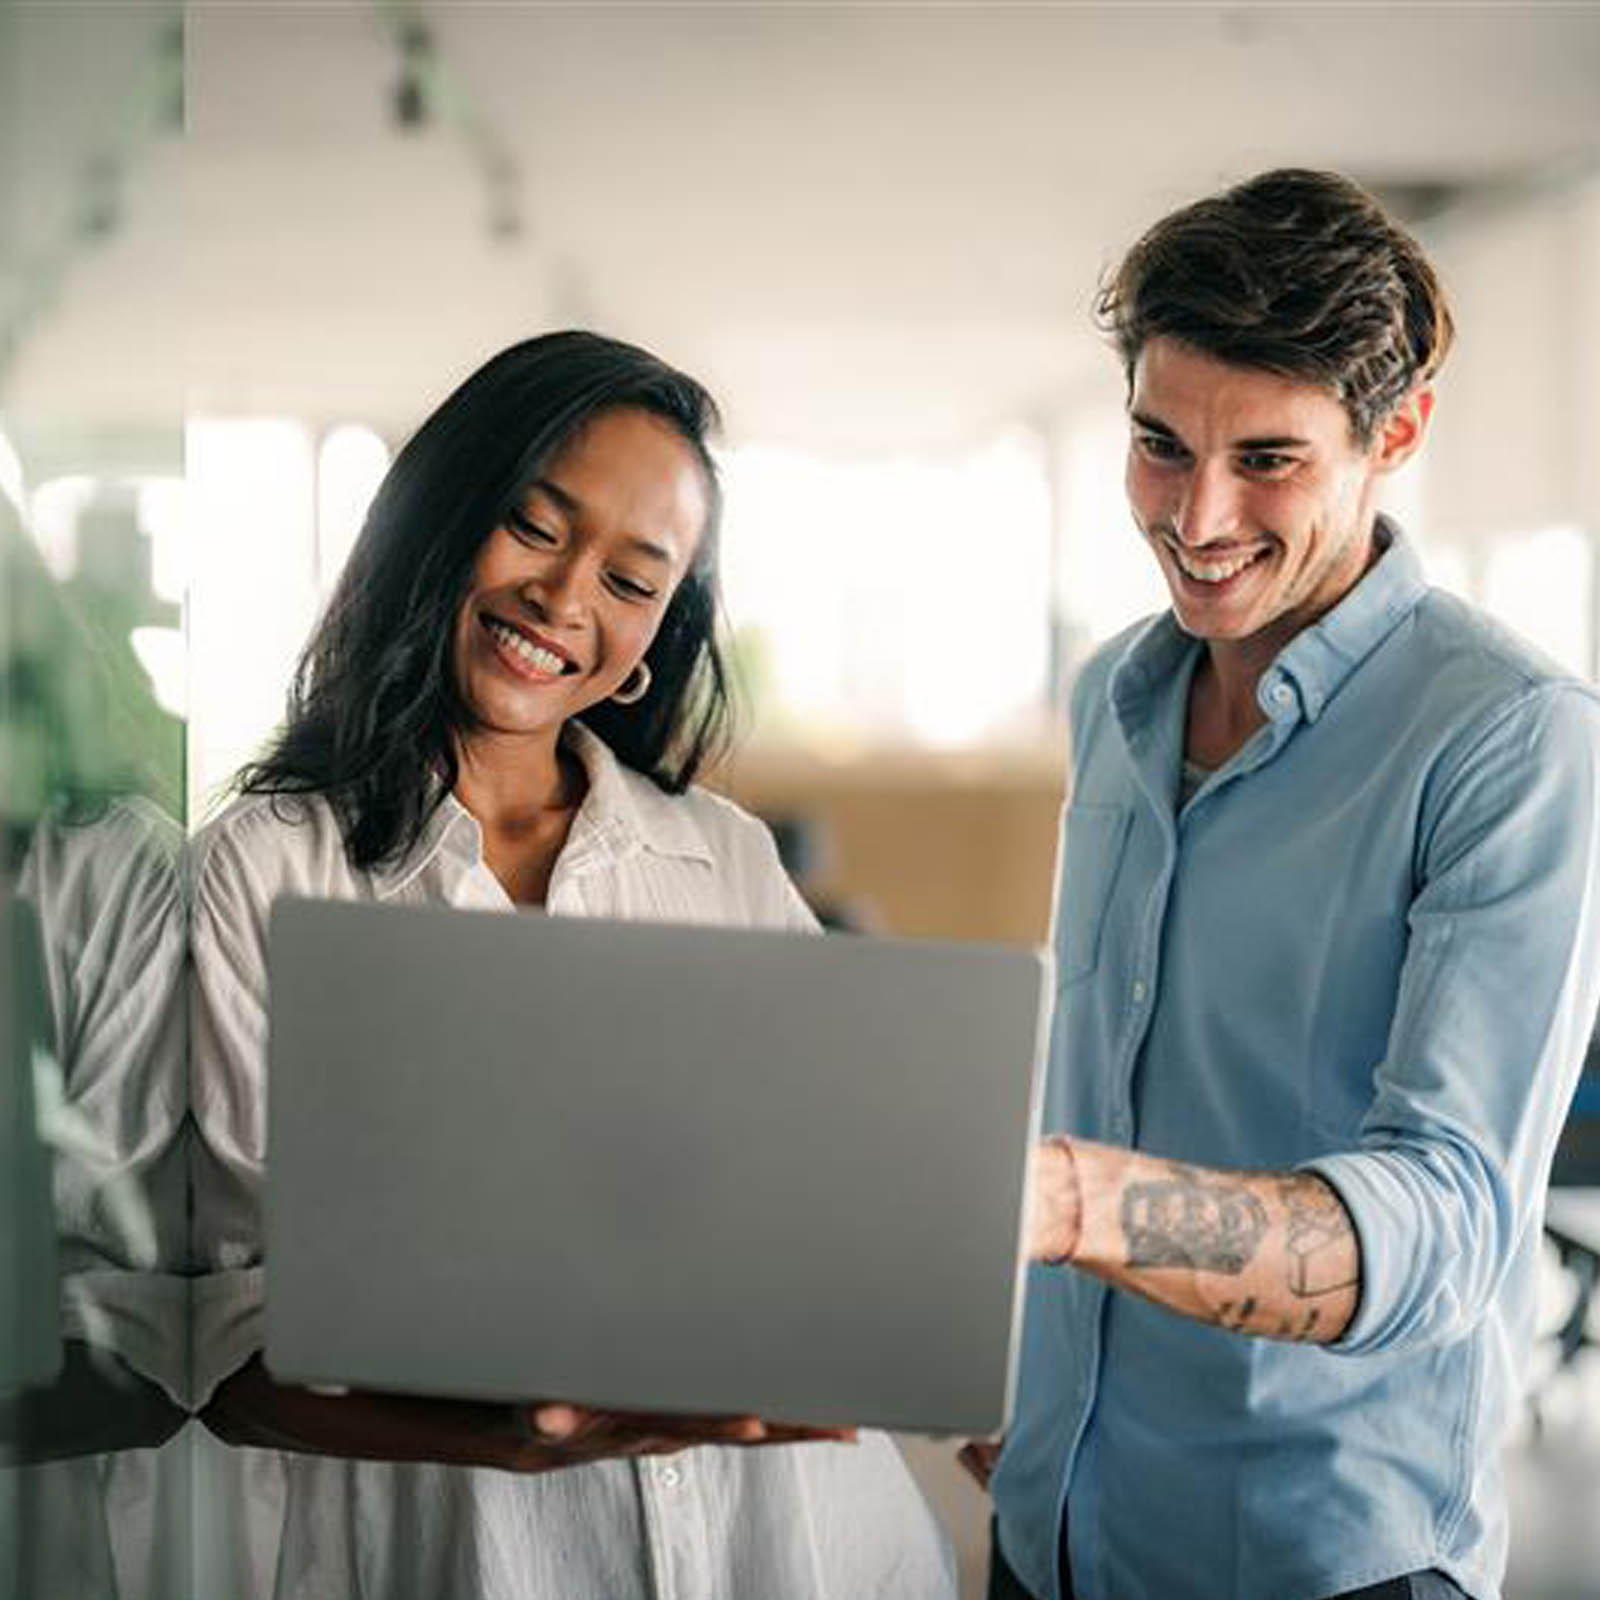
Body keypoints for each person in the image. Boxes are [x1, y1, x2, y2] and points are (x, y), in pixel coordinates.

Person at [188, 331, 955, 1598]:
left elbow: (822, 1199)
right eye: (534, 528)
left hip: (790, 1538)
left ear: (658, 630)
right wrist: (496, 1437)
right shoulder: (266, 869)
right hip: (477, 1553)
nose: (565, 599)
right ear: (437, 523)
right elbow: (217, 1347)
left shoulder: (723, 862)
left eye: (632, 578)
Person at [976, 170, 1600, 1600]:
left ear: (1396, 437)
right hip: (1053, 1531)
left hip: (1322, 1568)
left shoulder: (1513, 739)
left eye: (1269, 460)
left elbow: (1442, 1231)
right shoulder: (1112, 700)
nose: (1197, 519)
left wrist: (1070, 1204)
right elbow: (1113, 1074)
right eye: (1158, 446)